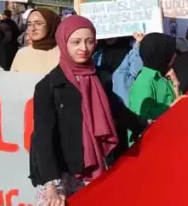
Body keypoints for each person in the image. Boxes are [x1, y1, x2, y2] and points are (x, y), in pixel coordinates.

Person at [29, 16, 147, 206]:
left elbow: (119, 112)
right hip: (60, 174)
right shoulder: (48, 86)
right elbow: (43, 136)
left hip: (97, 170)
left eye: (89, 41)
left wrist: (152, 123)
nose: (83, 48)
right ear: (63, 42)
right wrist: (50, 184)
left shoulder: (101, 78)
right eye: (76, 42)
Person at [129, 33, 179, 125]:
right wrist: (171, 107)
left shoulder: (165, 75)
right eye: (170, 51)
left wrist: (176, 84)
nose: (174, 55)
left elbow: (179, 105)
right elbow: (143, 117)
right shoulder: (144, 81)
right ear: (159, 53)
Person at [11, 8, 61, 74]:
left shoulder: (64, 54)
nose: (33, 28)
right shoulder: (22, 54)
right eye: (29, 24)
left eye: (38, 23)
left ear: (51, 24)